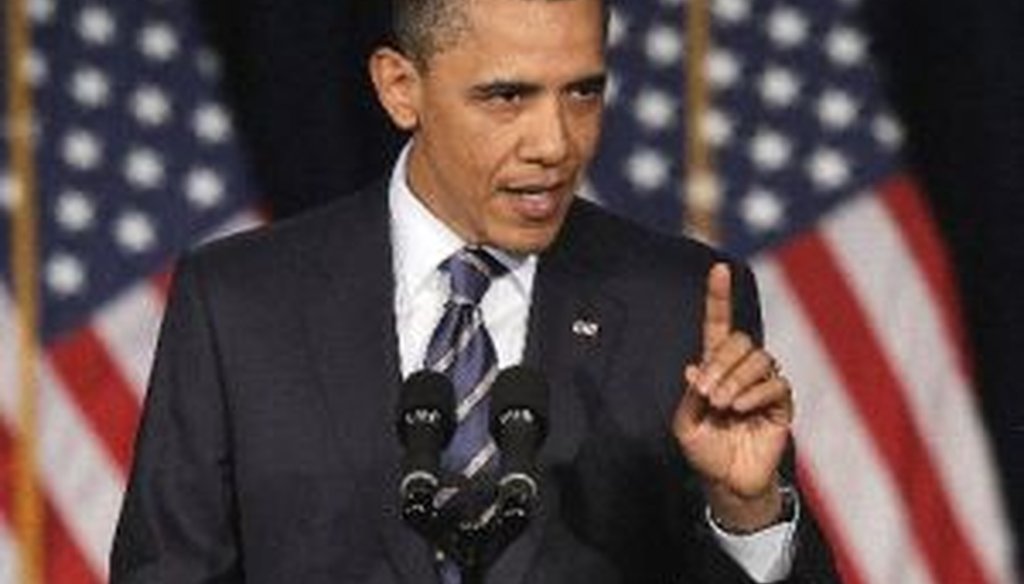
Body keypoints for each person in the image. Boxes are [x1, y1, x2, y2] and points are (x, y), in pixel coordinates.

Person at [111, 0, 840, 581]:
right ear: (402, 88)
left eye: (582, 91)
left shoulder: (677, 302)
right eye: (507, 96)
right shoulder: (240, 304)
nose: (555, 142)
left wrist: (747, 514)